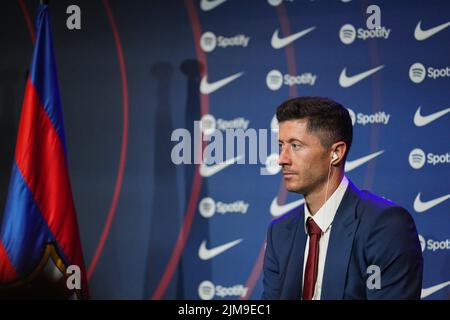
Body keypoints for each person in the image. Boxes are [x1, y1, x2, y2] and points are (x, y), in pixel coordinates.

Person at [262, 97, 423, 300]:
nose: (282, 159)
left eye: (295, 146)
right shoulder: (279, 232)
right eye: (281, 145)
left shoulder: (385, 226)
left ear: (336, 153)